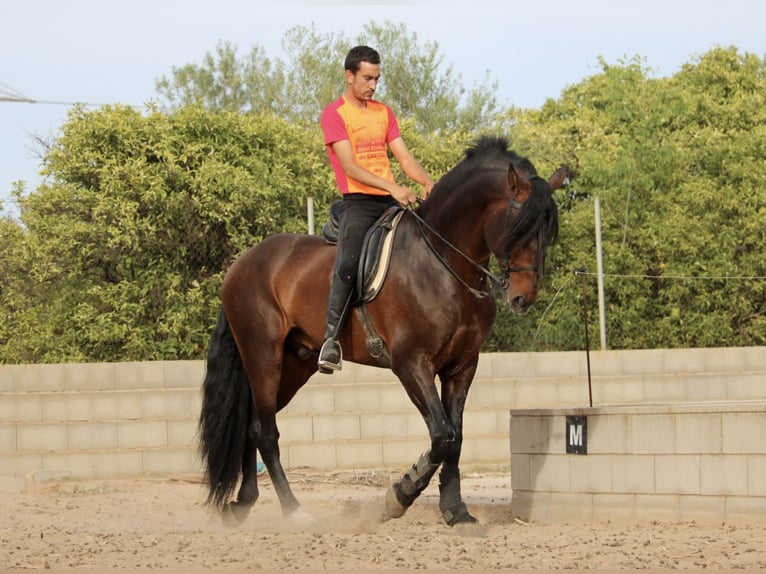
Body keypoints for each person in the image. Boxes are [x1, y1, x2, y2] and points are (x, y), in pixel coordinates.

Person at [318, 45, 435, 373]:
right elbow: (350, 167)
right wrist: (393, 187)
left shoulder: (384, 112)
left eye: (377, 79)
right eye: (367, 78)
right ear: (350, 75)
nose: (373, 85)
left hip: (390, 200)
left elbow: (405, 157)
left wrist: (427, 182)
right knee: (350, 261)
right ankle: (330, 340)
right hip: (359, 202)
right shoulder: (335, 114)